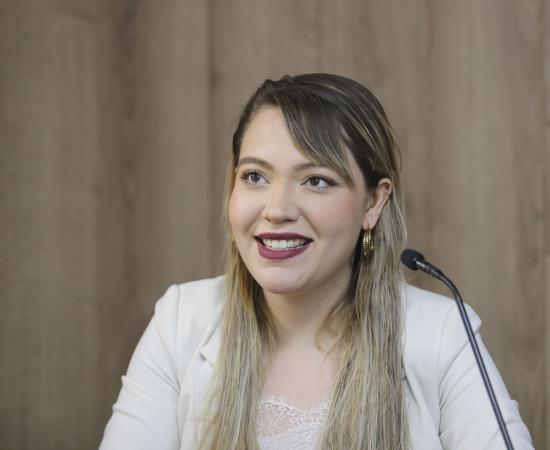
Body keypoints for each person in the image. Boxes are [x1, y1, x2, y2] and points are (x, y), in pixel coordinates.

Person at [99, 74, 533, 450]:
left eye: (316, 181)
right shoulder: (180, 322)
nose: (277, 209)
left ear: (374, 203)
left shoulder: (442, 334)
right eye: (255, 176)